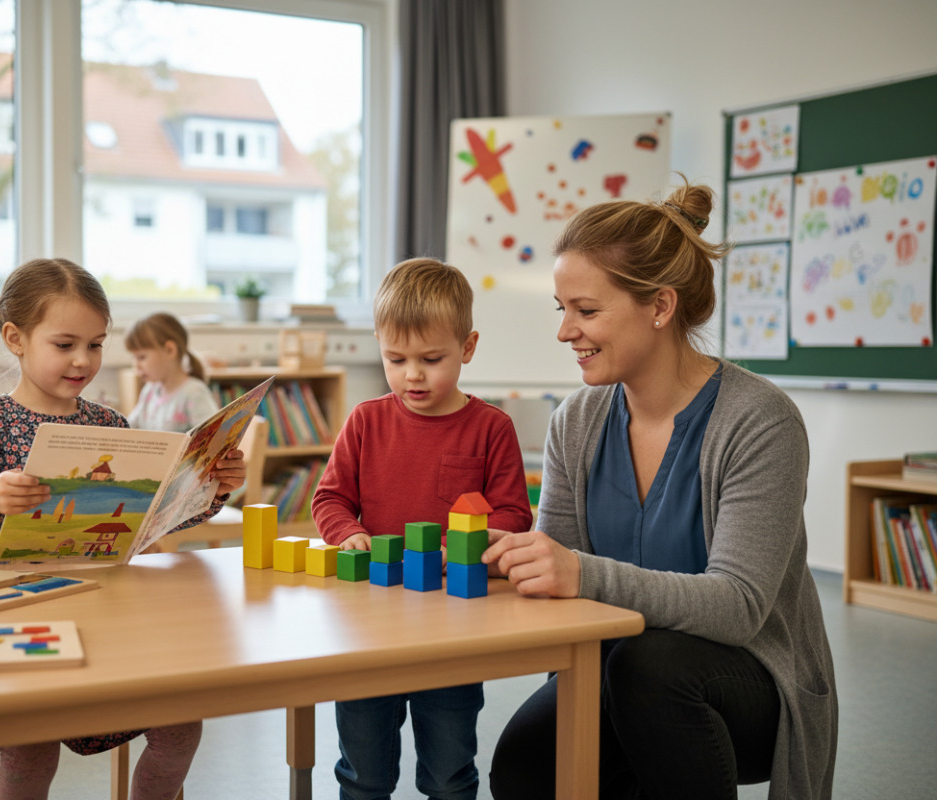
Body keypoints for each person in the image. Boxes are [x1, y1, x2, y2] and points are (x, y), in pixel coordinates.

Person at [483, 181, 838, 800]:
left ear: (660, 307)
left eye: (587, 310)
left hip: (749, 680)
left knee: (650, 671)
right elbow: (558, 558)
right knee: (524, 766)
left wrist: (578, 573)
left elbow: (737, 607)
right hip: (617, 665)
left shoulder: (761, 422)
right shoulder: (577, 419)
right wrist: (502, 561)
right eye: (560, 308)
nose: (566, 331)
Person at [0, 258, 248, 800]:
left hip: (106, 619)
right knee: (31, 747)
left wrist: (211, 488)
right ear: (15, 338)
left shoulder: (109, 425)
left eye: (96, 344)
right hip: (20, 626)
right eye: (64, 345)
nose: (83, 360)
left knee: (182, 723)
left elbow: (147, 522)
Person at [312, 257, 533, 800]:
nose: (413, 374)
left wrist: (461, 547)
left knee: (450, 776)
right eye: (395, 358)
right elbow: (330, 497)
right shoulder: (365, 421)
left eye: (431, 359)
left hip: (454, 628)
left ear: (468, 347)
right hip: (369, 627)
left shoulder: (491, 428)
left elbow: (513, 516)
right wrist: (348, 535)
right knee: (362, 775)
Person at [125, 312, 219, 433]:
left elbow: (212, 436)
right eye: (134, 358)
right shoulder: (149, 391)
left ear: (170, 350)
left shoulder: (194, 392)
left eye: (141, 357)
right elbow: (129, 428)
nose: (136, 365)